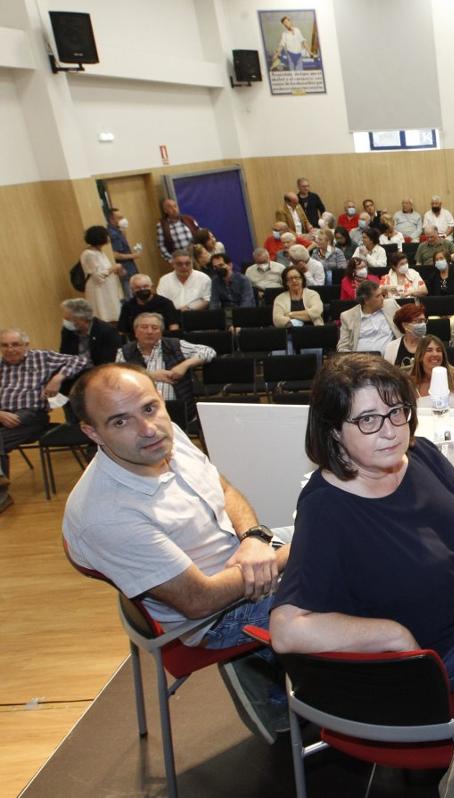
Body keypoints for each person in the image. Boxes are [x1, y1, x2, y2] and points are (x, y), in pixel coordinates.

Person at [63, 364, 289, 740]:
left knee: (355, 532)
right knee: (355, 578)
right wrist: (290, 554)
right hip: (212, 618)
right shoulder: (104, 512)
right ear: (92, 432)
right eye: (120, 422)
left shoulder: (162, 436)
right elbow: (199, 601)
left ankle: (279, 673)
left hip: (243, 557)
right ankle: (315, 701)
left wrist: (253, 538)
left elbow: (225, 490)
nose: (148, 428)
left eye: (150, 408)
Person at [269, 354, 454, 686]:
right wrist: (392, 635)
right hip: (444, 661)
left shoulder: (419, 455)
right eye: (369, 420)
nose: (390, 431)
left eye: (396, 411)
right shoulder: (325, 507)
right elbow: (286, 629)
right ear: (334, 432)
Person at [0, 329, 87, 510]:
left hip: (31, 415)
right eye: (5, 345)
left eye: (15, 344)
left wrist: (58, 377)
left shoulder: (41, 357)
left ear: (26, 345)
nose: (10, 349)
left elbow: (80, 360)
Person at [117, 312, 215, 428]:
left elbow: (208, 351)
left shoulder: (175, 345)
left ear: (161, 332)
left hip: (177, 410)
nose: (149, 331)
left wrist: (184, 365)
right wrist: (151, 376)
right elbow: (118, 379)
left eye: (155, 328)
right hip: (141, 412)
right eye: (144, 327)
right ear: (135, 332)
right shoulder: (125, 352)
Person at [59, 298, 123, 372]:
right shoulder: (68, 330)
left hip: (98, 372)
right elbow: (64, 356)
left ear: (83, 319)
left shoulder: (107, 332)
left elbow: (108, 363)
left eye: (68, 319)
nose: (66, 322)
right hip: (74, 372)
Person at [337, 281, 400, 353]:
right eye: (378, 296)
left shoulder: (391, 305)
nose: (382, 298)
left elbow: (408, 321)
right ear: (366, 300)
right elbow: (343, 347)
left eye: (382, 294)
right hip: (362, 361)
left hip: (390, 359)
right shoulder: (347, 316)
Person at [80, 225, 125, 323]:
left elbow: (105, 271)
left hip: (108, 289)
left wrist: (116, 270)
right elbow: (97, 276)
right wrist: (113, 268)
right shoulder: (89, 254)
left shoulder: (100, 252)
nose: (109, 237)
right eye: (106, 235)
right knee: (103, 317)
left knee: (114, 316)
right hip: (98, 290)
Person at [412, 335, 454, 408]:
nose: (435, 354)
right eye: (429, 350)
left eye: (439, 350)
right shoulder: (411, 381)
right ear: (420, 356)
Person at [157, 249, 212, 313]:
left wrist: (190, 308)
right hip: (172, 316)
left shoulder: (203, 278)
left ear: (192, 263)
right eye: (179, 264)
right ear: (173, 264)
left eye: (187, 263)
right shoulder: (164, 280)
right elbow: (161, 302)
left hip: (197, 314)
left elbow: (207, 300)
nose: (184, 267)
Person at [381, 302, 428, 372]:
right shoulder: (391, 347)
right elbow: (388, 374)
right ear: (405, 325)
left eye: (424, 321)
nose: (423, 324)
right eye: (418, 321)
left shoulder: (430, 344)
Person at [105, 207, 140, 291]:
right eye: (120, 218)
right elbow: (115, 255)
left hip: (129, 269)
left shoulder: (118, 231)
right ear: (111, 220)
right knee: (129, 295)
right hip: (125, 270)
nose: (123, 220)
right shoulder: (113, 234)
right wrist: (133, 255)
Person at [155, 198, 198, 262]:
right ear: (165, 210)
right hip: (180, 260)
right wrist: (171, 260)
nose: (174, 209)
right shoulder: (161, 226)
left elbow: (199, 234)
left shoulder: (189, 219)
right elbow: (161, 246)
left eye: (175, 206)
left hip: (196, 255)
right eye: (170, 207)